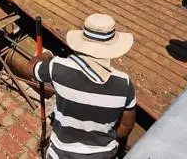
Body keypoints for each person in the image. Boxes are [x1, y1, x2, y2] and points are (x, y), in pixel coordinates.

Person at [26, 14, 137, 159]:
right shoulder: (124, 84)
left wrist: (46, 55)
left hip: (61, 153)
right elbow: (126, 126)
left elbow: (31, 68)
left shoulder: (58, 67)